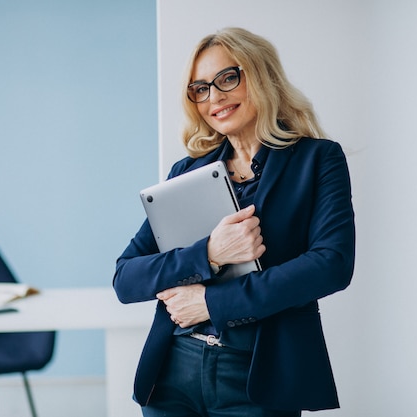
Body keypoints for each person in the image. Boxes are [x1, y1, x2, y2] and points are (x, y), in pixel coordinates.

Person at [113, 27, 355, 417]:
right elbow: (126, 278)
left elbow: (331, 265)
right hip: (172, 372)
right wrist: (208, 254)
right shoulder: (187, 172)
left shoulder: (318, 159)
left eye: (228, 78)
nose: (215, 97)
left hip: (260, 377)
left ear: (262, 76)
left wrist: (211, 302)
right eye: (200, 88)